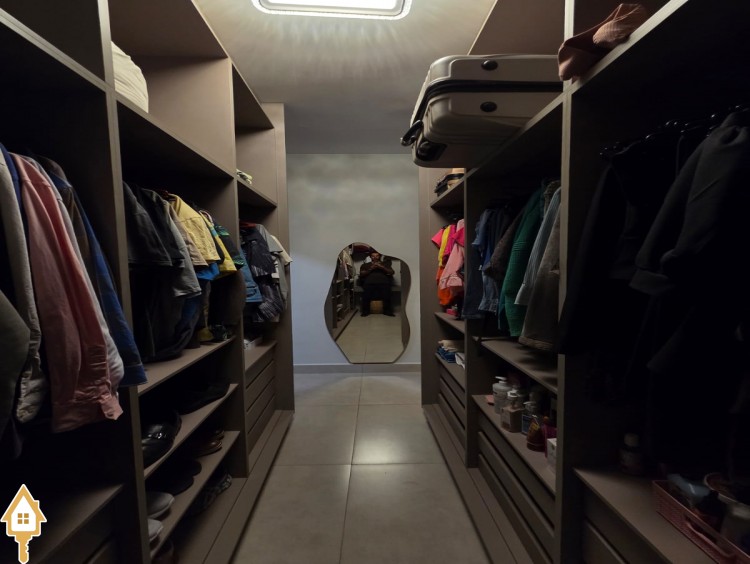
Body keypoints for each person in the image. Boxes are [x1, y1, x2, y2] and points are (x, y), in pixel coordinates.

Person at [359, 251, 395, 316]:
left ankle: (388, 312)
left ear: (379, 256)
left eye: (377, 256)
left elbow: (392, 272)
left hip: (384, 283)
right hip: (369, 283)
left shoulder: (385, 264)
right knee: (366, 297)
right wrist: (371, 268)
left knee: (387, 297)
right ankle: (365, 312)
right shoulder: (365, 265)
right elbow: (361, 274)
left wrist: (382, 267)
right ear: (370, 257)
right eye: (373, 256)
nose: (375, 257)